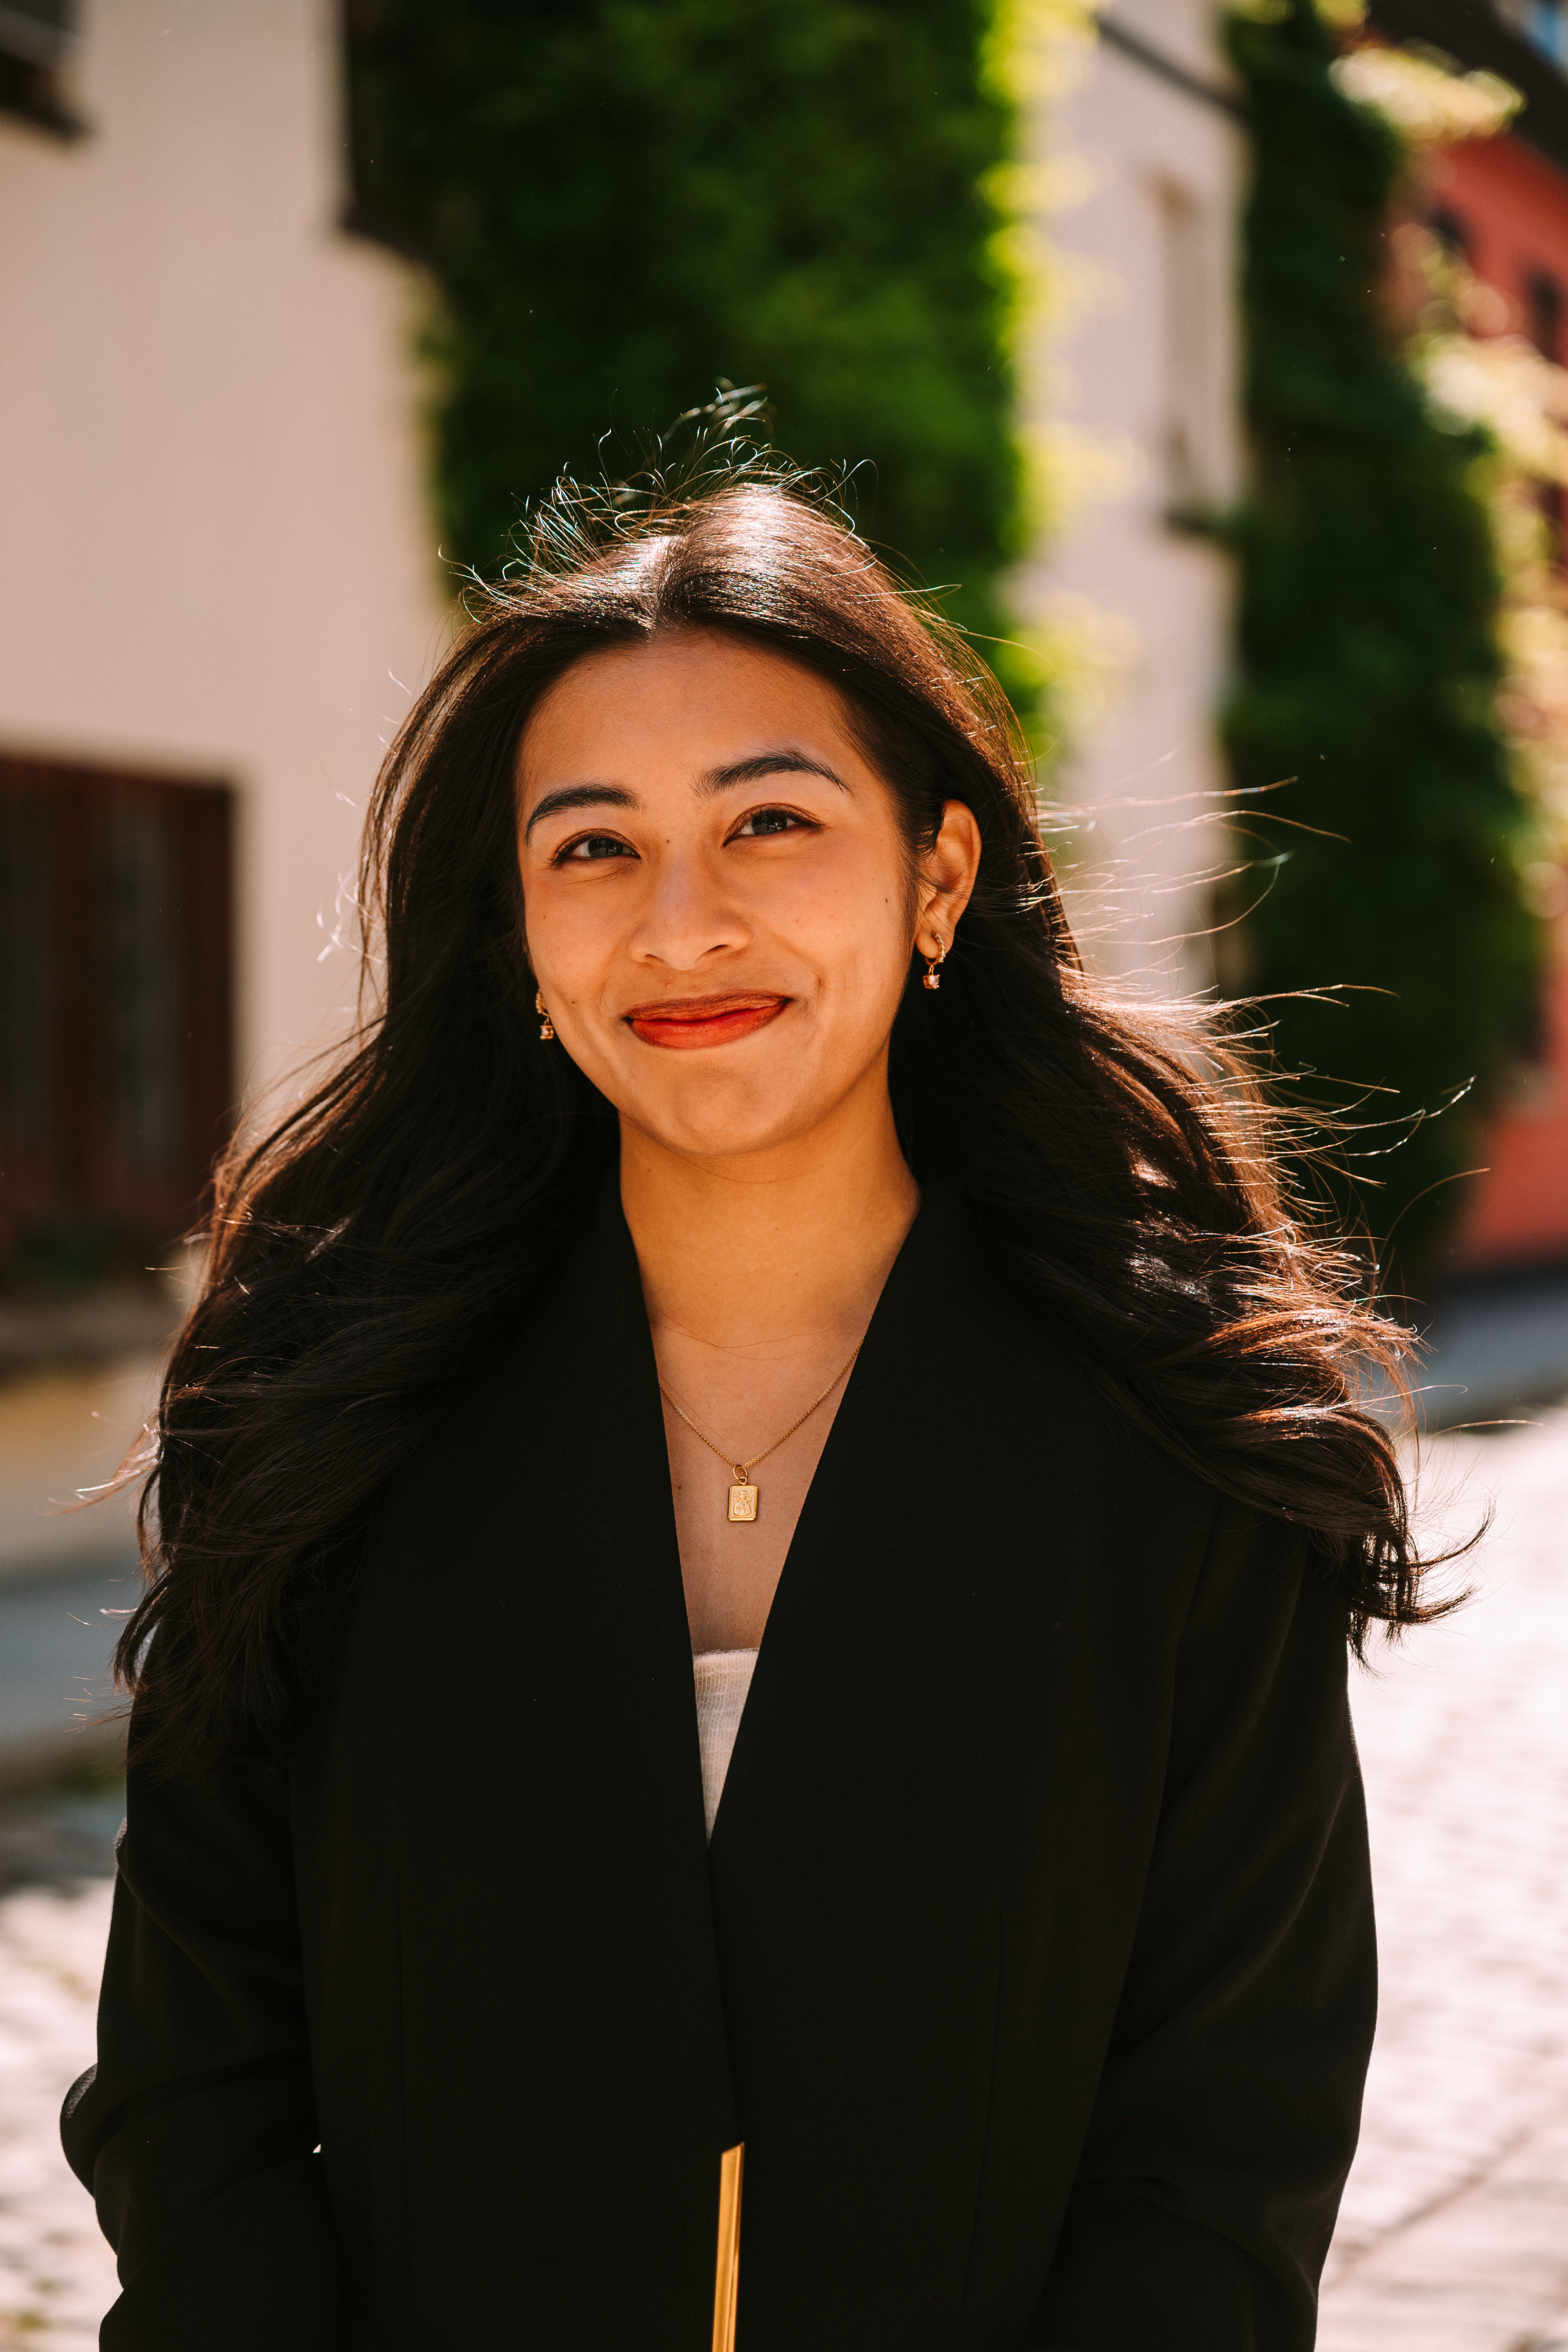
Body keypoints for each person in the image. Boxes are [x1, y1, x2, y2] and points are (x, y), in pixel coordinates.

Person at [63, 471, 1437, 2351]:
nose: (682, 925)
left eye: (769, 822)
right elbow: (191, 2075)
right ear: (516, 935)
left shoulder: (1174, 1428)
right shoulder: (320, 1401)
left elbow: (1227, 2140)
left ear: (935, 876)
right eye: (593, 848)